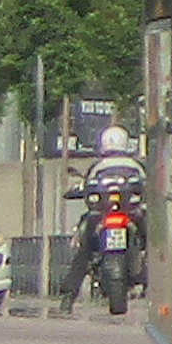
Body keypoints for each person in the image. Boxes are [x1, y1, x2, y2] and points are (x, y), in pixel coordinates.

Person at [59, 127, 146, 314]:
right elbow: (150, 186)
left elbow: (85, 186)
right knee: (154, 244)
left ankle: (68, 297)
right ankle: (150, 280)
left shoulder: (97, 166)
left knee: (84, 252)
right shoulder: (136, 165)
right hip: (132, 217)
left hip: (102, 217)